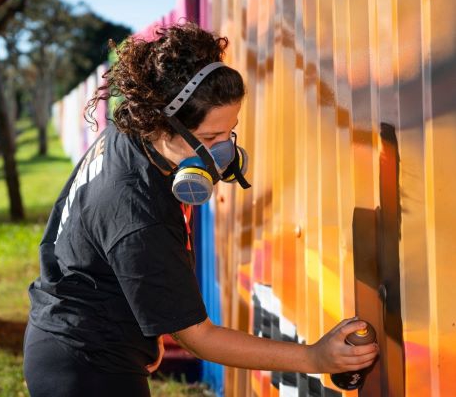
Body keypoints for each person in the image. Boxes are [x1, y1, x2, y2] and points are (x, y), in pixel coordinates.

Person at [23, 22, 379, 397]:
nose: (224, 152)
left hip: (69, 338)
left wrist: (145, 324)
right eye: (210, 139)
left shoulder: (128, 132)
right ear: (162, 126)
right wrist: (314, 359)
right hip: (86, 369)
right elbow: (200, 338)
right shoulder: (139, 215)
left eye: (230, 132)